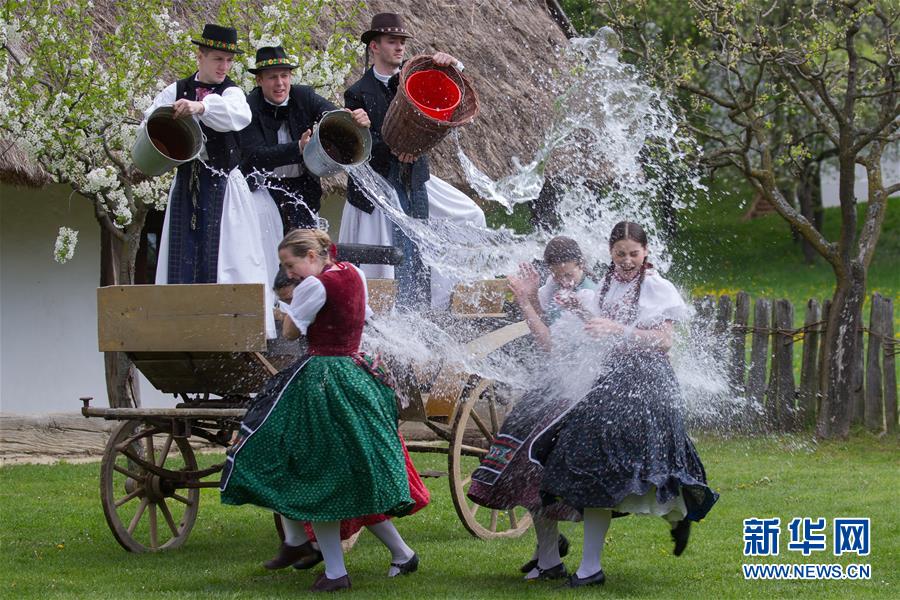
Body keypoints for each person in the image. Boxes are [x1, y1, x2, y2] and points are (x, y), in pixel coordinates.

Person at [220, 229, 420, 592]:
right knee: (332, 472)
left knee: (315, 470)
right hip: (354, 373)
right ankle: (327, 550)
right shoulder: (354, 273)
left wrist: (286, 306)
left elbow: (292, 333)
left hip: (325, 378)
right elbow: (365, 317)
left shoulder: (313, 286)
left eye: (290, 264)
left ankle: (328, 566)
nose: (289, 272)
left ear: (312, 255)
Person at [529, 221, 719, 587]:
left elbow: (663, 341)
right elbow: (601, 327)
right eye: (620, 253)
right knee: (596, 465)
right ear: (610, 252)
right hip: (611, 380)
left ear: (645, 252)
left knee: (650, 468)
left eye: (634, 253)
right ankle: (590, 568)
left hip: (649, 385)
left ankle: (675, 520)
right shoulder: (606, 285)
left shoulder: (657, 288)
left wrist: (617, 331)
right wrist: (581, 311)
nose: (627, 260)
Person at [467, 236, 598, 581]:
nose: (563, 281)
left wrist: (525, 301)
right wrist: (534, 298)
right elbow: (547, 322)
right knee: (524, 472)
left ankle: (551, 558)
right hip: (550, 391)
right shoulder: (556, 286)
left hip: (575, 396)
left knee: (539, 473)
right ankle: (549, 553)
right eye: (557, 275)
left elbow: (551, 344)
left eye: (568, 274)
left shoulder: (589, 296)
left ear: (581, 265)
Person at [146, 24, 275, 337]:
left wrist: (201, 106)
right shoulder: (175, 90)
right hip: (186, 188)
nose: (224, 66)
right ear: (200, 55)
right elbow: (150, 123)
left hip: (224, 189)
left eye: (229, 61)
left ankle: (234, 326)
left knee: (231, 256)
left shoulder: (230, 92)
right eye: (218, 59)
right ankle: (182, 323)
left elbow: (238, 115)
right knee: (182, 250)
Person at [338, 12, 464, 309]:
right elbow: (357, 148)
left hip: (415, 178)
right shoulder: (356, 93)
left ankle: (429, 312)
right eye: (392, 42)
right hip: (381, 185)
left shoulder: (412, 80)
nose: (399, 48)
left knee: (424, 244)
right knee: (394, 254)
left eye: (401, 42)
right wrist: (392, 146)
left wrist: (452, 64)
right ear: (375, 47)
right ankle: (397, 316)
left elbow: (446, 101)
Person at [240, 46, 371, 234]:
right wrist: (298, 147)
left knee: (306, 252)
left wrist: (355, 119)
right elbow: (255, 156)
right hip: (262, 191)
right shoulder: (248, 106)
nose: (280, 83)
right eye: (272, 77)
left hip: (303, 190)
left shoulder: (304, 96)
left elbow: (332, 114)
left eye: (284, 76)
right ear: (259, 80)